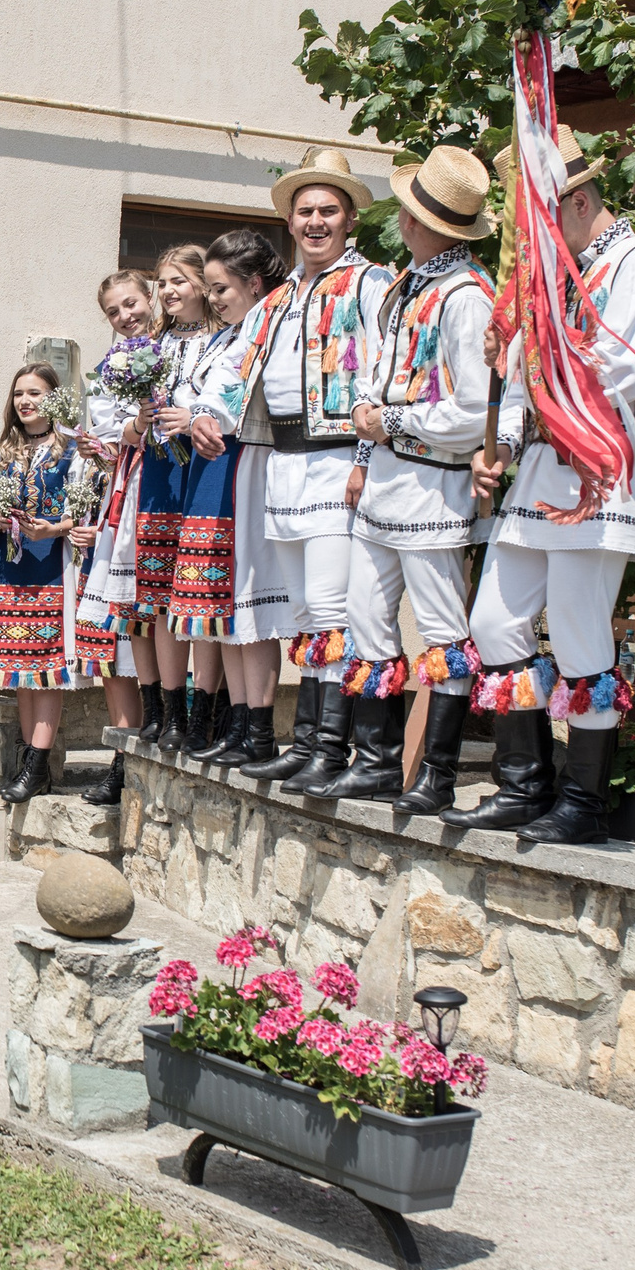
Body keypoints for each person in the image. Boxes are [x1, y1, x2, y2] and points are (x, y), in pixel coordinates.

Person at [457, 128, 635, 838]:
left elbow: (618, 369)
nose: (529, 239)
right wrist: (496, 444)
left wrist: (531, 349)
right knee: (494, 621)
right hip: (540, 470)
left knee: (578, 631)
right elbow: (530, 390)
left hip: (602, 471)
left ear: (579, 199)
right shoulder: (557, 277)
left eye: (538, 218)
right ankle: (524, 782)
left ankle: (583, 802)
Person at [315, 147, 498, 805]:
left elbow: (475, 411)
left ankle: (439, 776)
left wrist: (387, 421)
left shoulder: (466, 295)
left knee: (443, 627)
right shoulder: (407, 284)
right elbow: (376, 373)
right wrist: (367, 448)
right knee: (366, 618)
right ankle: (377, 761)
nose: (401, 221)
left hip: (431, 485)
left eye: (409, 212)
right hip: (386, 481)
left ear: (424, 222)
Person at [209, 150, 396, 793]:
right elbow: (233, 372)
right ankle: (311, 739)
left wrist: (369, 460)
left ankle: (333, 747)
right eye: (306, 211)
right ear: (289, 222)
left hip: (340, 455)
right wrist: (208, 415)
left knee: (329, 606)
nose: (316, 222)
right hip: (282, 462)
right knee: (298, 611)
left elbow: (387, 373)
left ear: (349, 220)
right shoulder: (275, 302)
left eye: (328, 211)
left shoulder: (372, 284)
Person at [185, 229, 298, 768]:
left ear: (254, 284)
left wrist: (206, 415)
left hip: (255, 464)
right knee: (224, 605)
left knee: (252, 600)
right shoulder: (230, 335)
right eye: (208, 289)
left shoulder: (271, 323)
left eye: (220, 287)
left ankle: (259, 728)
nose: (214, 298)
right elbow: (218, 390)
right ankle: (239, 725)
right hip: (223, 467)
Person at [122, 246, 234, 757]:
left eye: (179, 281)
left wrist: (190, 414)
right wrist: (144, 417)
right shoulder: (152, 345)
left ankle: (204, 713)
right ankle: (169, 711)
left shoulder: (224, 339)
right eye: (162, 283)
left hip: (206, 468)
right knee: (161, 598)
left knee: (199, 594)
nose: (168, 291)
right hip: (162, 473)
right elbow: (129, 422)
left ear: (202, 286)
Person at [0, 363, 91, 801]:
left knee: (47, 672)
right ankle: (29, 766)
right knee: (19, 672)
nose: (25, 401)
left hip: (51, 570)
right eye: (19, 392)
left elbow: (89, 510)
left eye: (36, 393)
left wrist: (55, 528)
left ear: (54, 399)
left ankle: (38, 764)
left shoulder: (76, 451)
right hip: (9, 569)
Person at [73, 269, 159, 805]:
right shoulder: (108, 371)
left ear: (150, 298)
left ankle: (166, 740)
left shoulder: (180, 348)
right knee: (112, 637)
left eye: (131, 303)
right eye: (114, 311)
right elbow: (103, 435)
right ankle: (124, 756)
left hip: (163, 500)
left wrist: (127, 433)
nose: (126, 316)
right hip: (119, 505)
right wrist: (112, 440)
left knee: (160, 630)